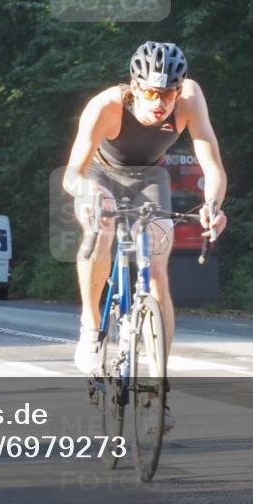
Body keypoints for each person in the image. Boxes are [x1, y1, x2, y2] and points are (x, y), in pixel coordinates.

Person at [63, 42, 228, 381]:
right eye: (152, 93)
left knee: (157, 271)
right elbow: (72, 175)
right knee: (101, 229)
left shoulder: (190, 99)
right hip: (99, 175)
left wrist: (213, 205)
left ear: (179, 90)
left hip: (149, 176)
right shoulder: (106, 107)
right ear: (135, 88)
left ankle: (158, 378)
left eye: (168, 94)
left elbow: (213, 167)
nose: (160, 103)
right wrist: (90, 192)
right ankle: (91, 327)